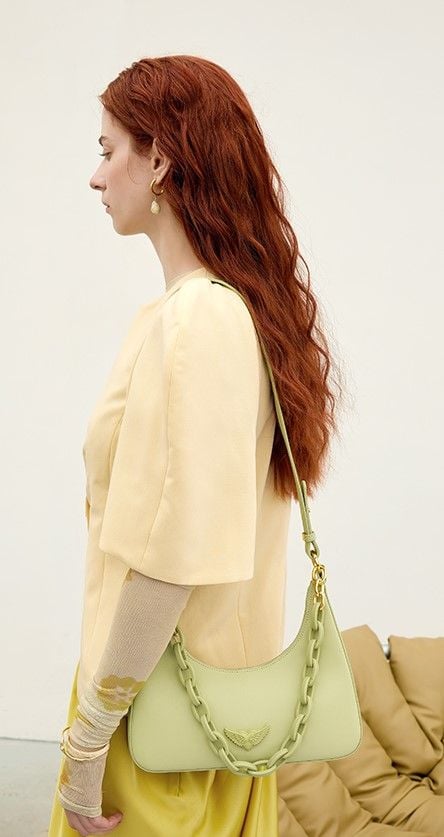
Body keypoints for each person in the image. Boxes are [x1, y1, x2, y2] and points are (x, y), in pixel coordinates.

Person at [47, 54, 343, 836]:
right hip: (199, 714)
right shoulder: (207, 312)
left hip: (160, 727)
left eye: (109, 150)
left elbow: (173, 556)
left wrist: (89, 737)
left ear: (160, 161)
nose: (96, 176)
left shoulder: (198, 321)